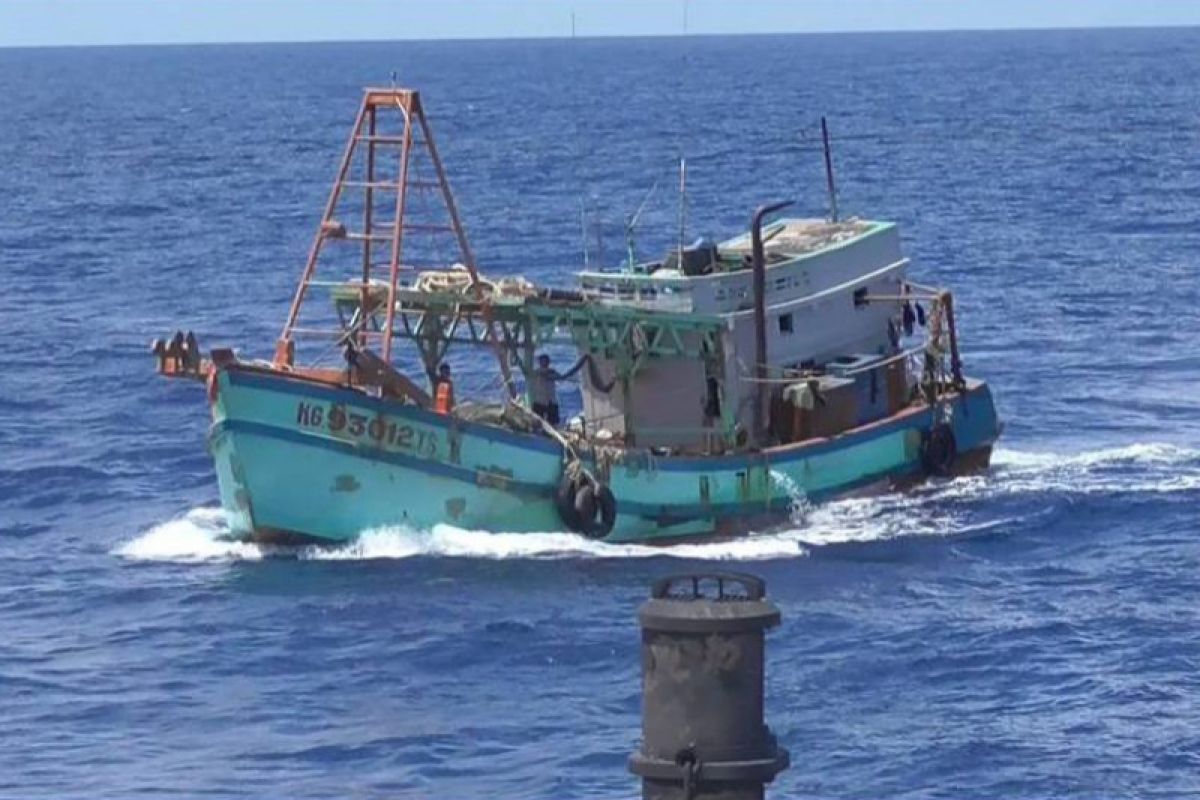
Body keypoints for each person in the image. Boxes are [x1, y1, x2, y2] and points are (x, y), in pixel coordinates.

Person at [530, 354, 562, 425]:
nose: (544, 363)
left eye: (545, 361)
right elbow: (532, 376)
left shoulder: (552, 372)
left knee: (553, 423)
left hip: (551, 401)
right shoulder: (536, 373)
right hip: (539, 401)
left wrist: (549, 373)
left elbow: (560, 377)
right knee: (535, 422)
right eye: (542, 361)